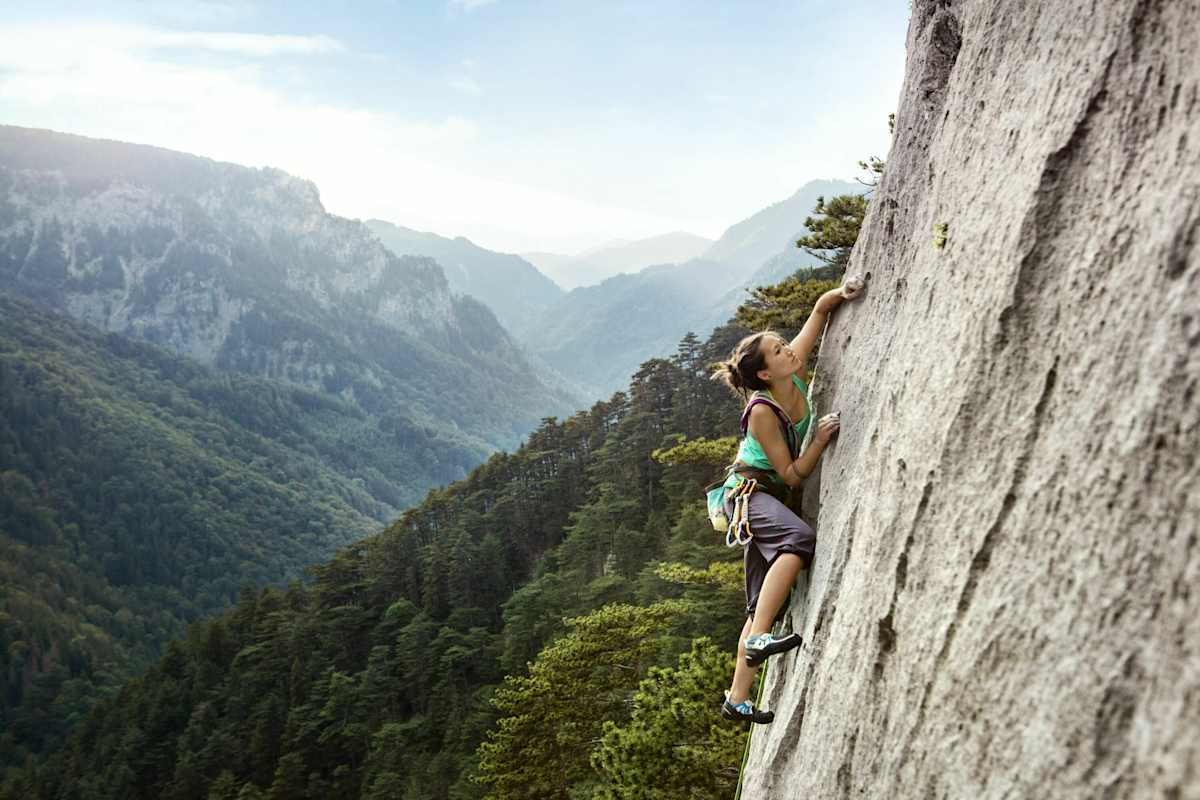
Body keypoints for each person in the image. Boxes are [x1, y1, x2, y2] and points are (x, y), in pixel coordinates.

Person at [712, 276, 863, 724]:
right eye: (777, 351)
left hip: (768, 497)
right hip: (749, 494)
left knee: (761, 605)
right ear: (764, 373)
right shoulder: (761, 411)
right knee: (798, 541)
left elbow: (817, 317)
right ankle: (759, 639)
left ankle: (736, 699)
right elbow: (792, 473)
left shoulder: (790, 371)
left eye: (783, 345)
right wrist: (818, 440)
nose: (789, 351)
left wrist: (837, 296)